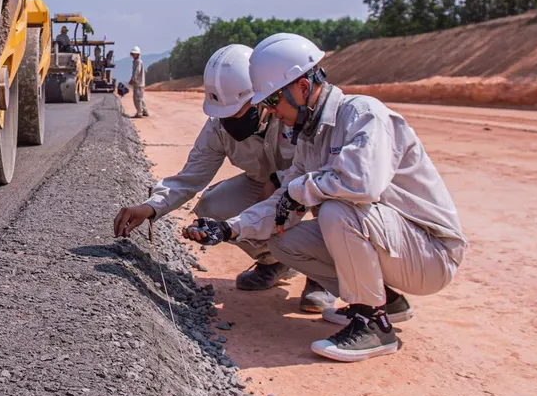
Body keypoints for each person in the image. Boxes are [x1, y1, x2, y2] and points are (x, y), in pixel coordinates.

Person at [184, 33, 467, 362]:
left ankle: (372, 325)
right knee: (283, 242)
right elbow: (283, 204)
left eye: (274, 102)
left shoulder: (363, 115)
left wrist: (297, 190)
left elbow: (362, 184)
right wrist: (230, 228)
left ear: (302, 88)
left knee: (336, 210)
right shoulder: (310, 139)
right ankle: (385, 301)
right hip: (394, 245)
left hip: (430, 253)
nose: (272, 113)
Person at [114, 45, 333, 306]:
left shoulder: (292, 113)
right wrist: (150, 208)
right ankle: (274, 262)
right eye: (225, 115)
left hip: (308, 183)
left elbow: (324, 164)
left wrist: (279, 182)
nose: (231, 121)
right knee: (212, 205)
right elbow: (191, 176)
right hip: (261, 186)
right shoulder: (218, 127)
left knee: (328, 199)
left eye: (238, 112)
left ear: (261, 98)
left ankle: (323, 276)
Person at [129, 46, 148, 117]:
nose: (133, 55)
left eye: (134, 53)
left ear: (138, 54)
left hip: (138, 83)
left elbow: (137, 71)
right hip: (139, 83)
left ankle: (139, 113)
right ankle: (145, 111)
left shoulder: (138, 62)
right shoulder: (136, 61)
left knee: (137, 98)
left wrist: (132, 79)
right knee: (140, 98)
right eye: (133, 53)